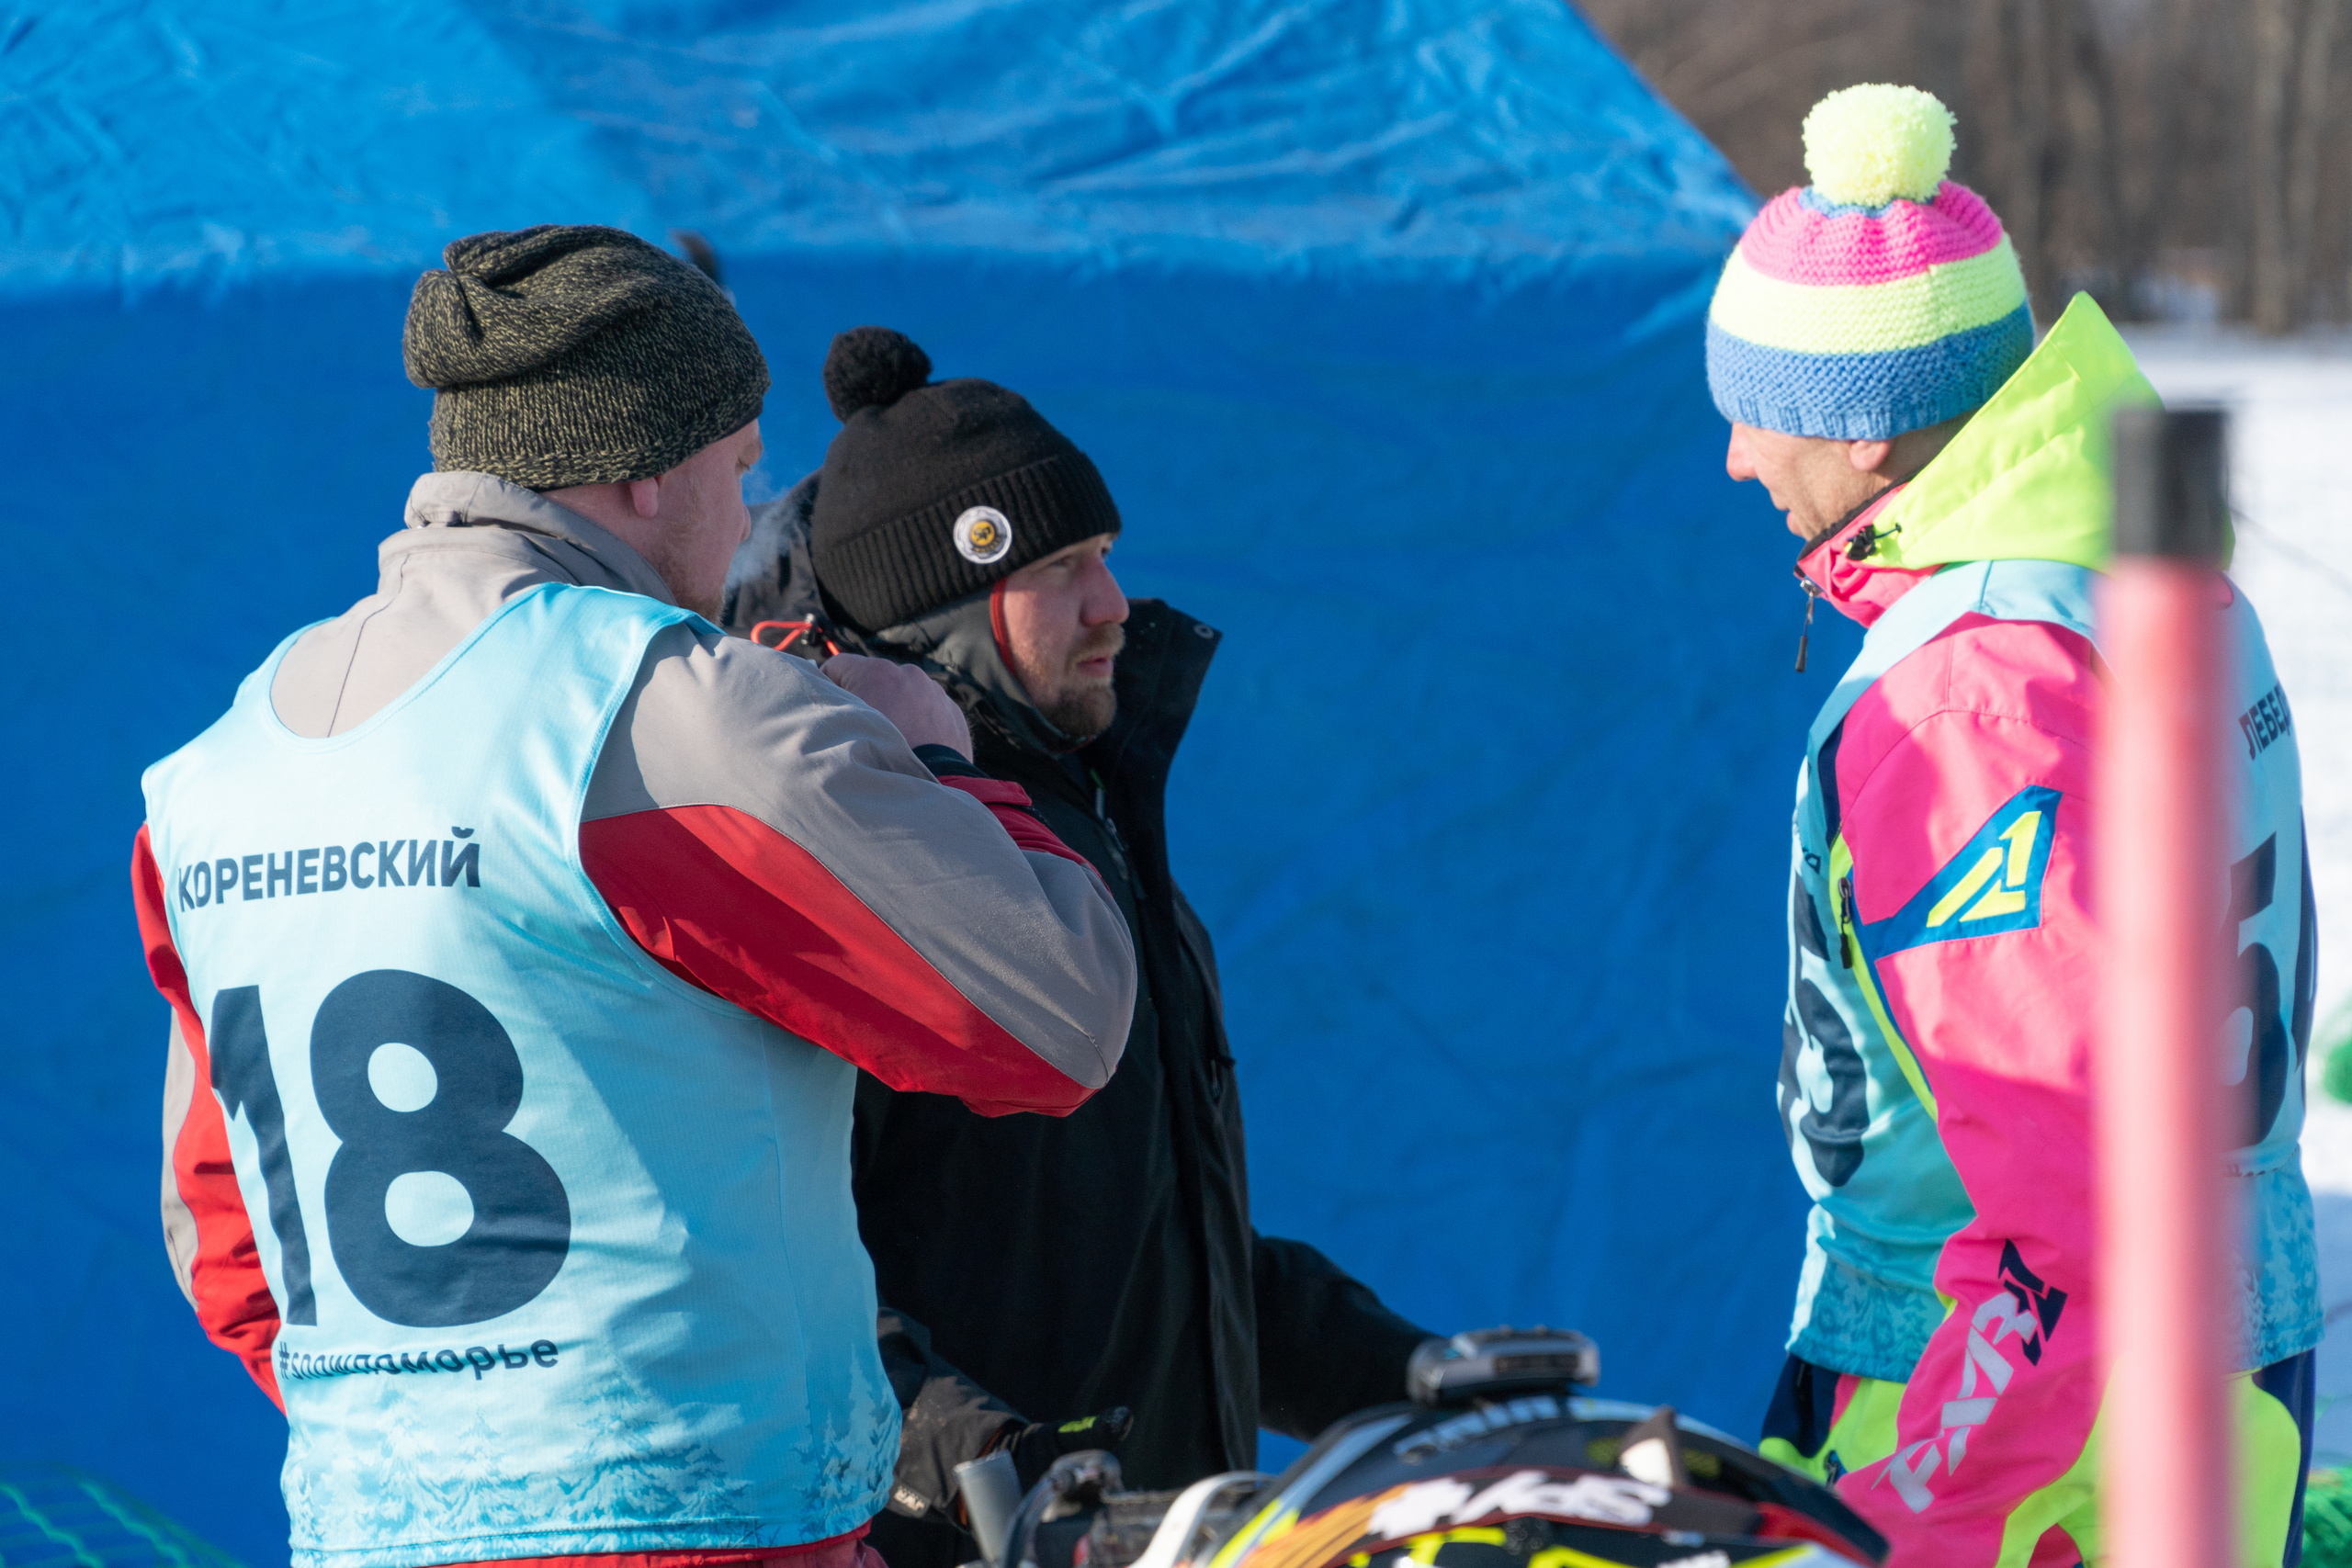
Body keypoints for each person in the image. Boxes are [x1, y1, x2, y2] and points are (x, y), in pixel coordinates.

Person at [131, 226, 1138, 1568]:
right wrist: (939, 759)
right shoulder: (666, 707)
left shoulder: (220, 766)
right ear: (647, 470)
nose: (748, 513)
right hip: (706, 1524)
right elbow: (1056, 1015)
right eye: (740, 466)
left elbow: (225, 1236)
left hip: (371, 1522)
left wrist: (447, 1442)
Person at [1713, 88, 2321, 1563]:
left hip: (2005, 1384)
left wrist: (1912, 1503)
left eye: (1759, 410)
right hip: (2220, 1361)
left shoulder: (1965, 695)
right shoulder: (2135, 578)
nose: (1738, 460)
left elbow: (2082, 1189)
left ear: (1867, 441)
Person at [726, 327, 1439, 1568]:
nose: (1114, 603)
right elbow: (777, 1280)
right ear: (945, 612)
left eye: (1104, 554)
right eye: (1060, 569)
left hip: (1166, 1540)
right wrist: (992, 1469)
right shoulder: (868, 867)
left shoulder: (1091, 835)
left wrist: (1422, 1385)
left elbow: (1171, 1253)